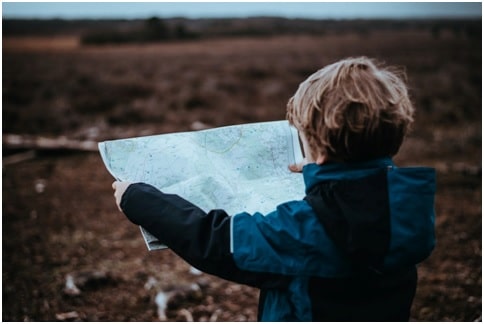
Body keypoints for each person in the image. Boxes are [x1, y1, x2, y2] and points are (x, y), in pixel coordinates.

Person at [112, 56, 436, 321]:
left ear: (318, 148)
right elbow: (358, 198)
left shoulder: (305, 229)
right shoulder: (408, 210)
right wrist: (320, 174)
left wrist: (138, 199)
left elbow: (217, 242)